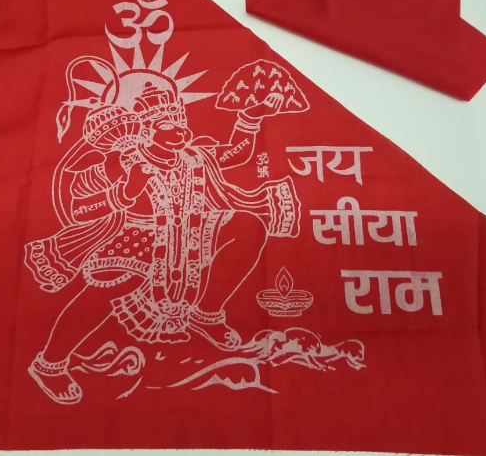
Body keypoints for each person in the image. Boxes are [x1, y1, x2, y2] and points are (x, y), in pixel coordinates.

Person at [24, 71, 300, 405]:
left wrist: (249, 117)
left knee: (246, 225)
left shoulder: (195, 157)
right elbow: (81, 208)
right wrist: (126, 191)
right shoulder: (121, 160)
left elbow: (236, 154)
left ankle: (206, 314)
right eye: (168, 125)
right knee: (108, 287)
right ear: (146, 130)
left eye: (180, 122)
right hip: (136, 234)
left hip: (191, 231)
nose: (180, 130)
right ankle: (51, 363)